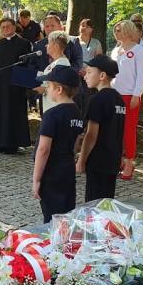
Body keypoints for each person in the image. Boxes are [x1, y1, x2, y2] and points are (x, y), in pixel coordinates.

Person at [32, 65, 84, 223]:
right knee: (65, 215)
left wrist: (36, 179)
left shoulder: (51, 115)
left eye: (49, 85)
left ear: (59, 89)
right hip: (67, 170)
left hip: (51, 172)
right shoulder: (77, 112)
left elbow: (43, 149)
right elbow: (76, 142)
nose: (47, 89)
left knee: (51, 218)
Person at [77, 55, 126, 201]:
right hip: (113, 160)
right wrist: (121, 156)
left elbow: (91, 135)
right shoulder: (119, 99)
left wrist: (81, 160)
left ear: (102, 76)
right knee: (106, 202)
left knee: (94, 204)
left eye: (89, 72)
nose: (85, 76)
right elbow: (120, 131)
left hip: (98, 161)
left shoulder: (97, 100)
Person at [0, 17, 32, 154]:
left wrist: (25, 86)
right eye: (3, 27)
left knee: (14, 114)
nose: (5, 29)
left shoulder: (24, 44)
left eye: (8, 26)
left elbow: (27, 66)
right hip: (0, 86)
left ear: (14, 27)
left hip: (16, 86)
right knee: (0, 113)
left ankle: (13, 144)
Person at [110, 21, 143, 180]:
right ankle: (118, 160)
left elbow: (141, 75)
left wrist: (136, 94)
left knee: (128, 130)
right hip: (115, 94)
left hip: (129, 95)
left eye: (119, 30)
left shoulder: (138, 50)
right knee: (115, 129)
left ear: (127, 31)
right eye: (115, 30)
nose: (116, 32)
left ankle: (129, 162)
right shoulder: (115, 50)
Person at [35, 31, 71, 113]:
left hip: (55, 108)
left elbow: (60, 88)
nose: (46, 45)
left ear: (56, 46)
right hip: (49, 106)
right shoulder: (56, 62)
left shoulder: (62, 63)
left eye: (48, 43)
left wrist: (44, 90)